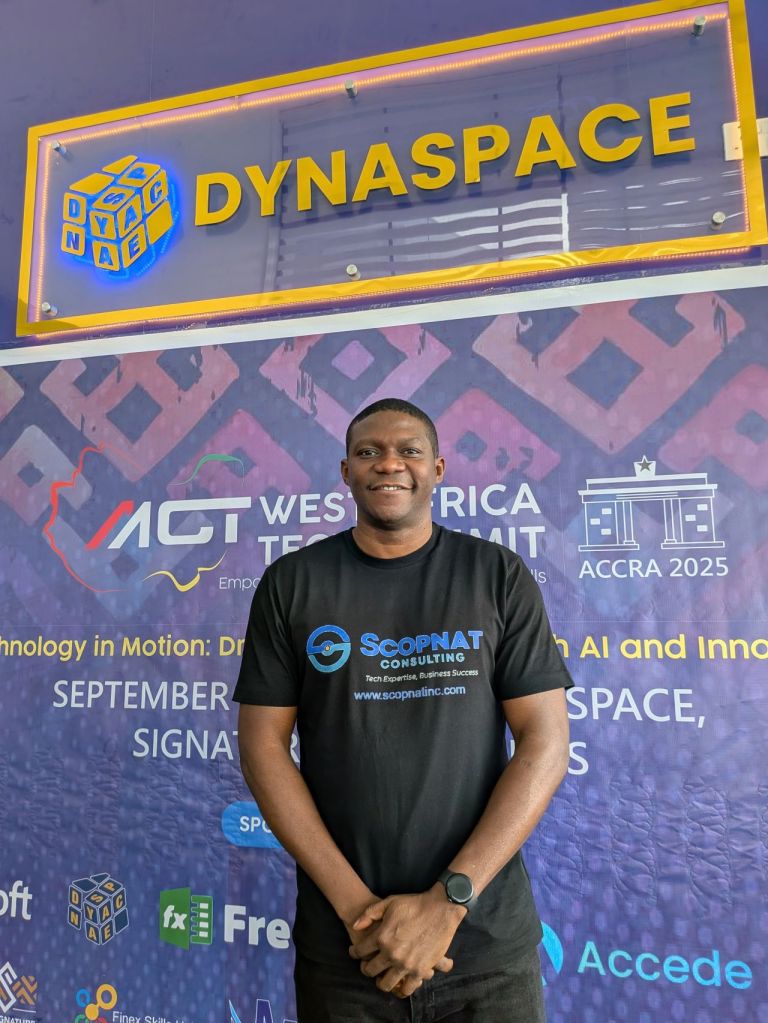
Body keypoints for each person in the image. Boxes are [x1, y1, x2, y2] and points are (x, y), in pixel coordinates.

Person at [234, 397, 573, 1022]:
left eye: (409, 451)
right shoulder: (292, 583)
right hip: (348, 948)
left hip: (485, 949)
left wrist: (449, 901)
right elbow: (261, 748)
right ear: (346, 472)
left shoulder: (495, 574)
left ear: (437, 468)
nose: (389, 464)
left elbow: (546, 742)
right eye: (369, 452)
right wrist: (358, 912)